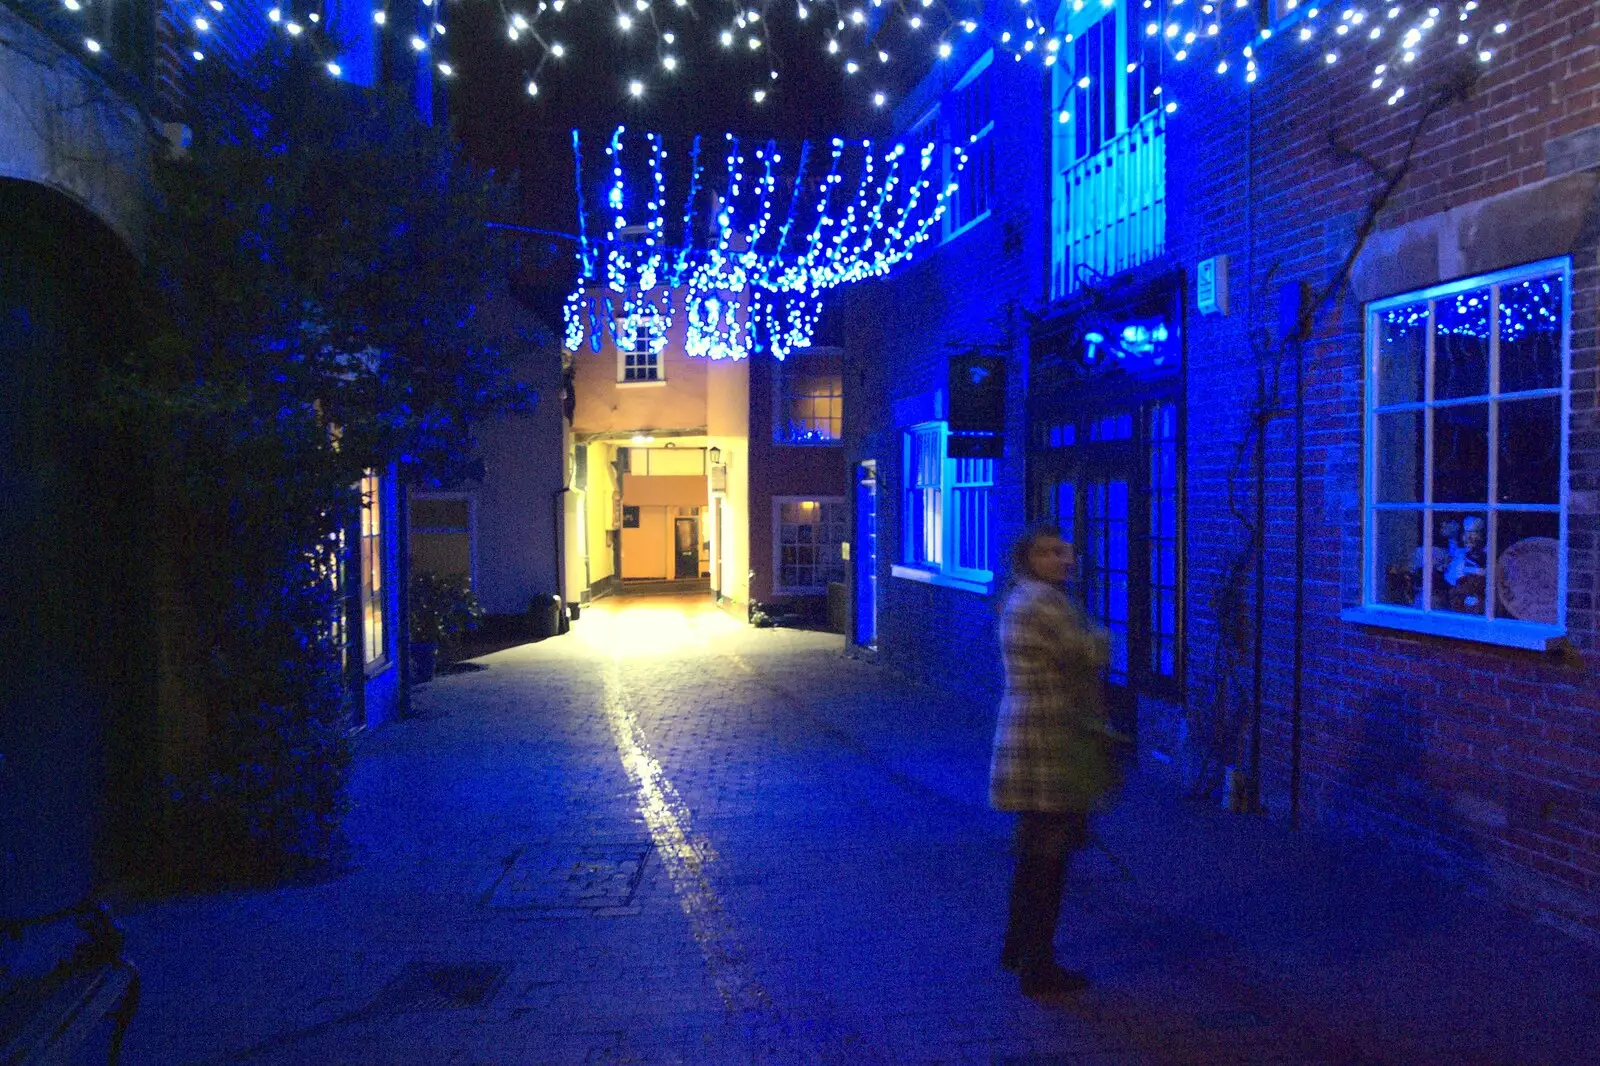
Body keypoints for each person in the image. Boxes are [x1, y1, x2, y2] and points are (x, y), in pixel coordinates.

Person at [991, 526, 1126, 997]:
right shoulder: (1044, 603)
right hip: (1049, 740)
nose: (1064, 559)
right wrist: (1099, 636)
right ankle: (1038, 965)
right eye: (1050, 553)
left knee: (1035, 852)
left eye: (1066, 550)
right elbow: (1091, 652)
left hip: (1032, 733)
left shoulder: (1021, 598)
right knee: (1048, 858)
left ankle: (1018, 947)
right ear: (1028, 558)